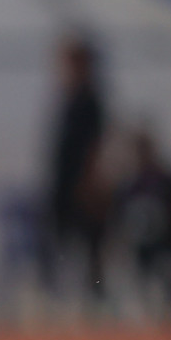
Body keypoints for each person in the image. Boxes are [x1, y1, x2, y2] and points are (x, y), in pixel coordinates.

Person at [45, 33, 108, 303]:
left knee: (89, 247)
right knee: (59, 245)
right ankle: (60, 298)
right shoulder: (67, 98)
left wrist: (89, 182)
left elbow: (95, 145)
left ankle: (93, 300)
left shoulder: (90, 100)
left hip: (81, 184)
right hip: (63, 182)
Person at [114, 128, 171, 321]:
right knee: (144, 289)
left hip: (169, 244)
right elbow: (120, 217)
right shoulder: (131, 185)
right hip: (144, 246)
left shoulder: (169, 182)